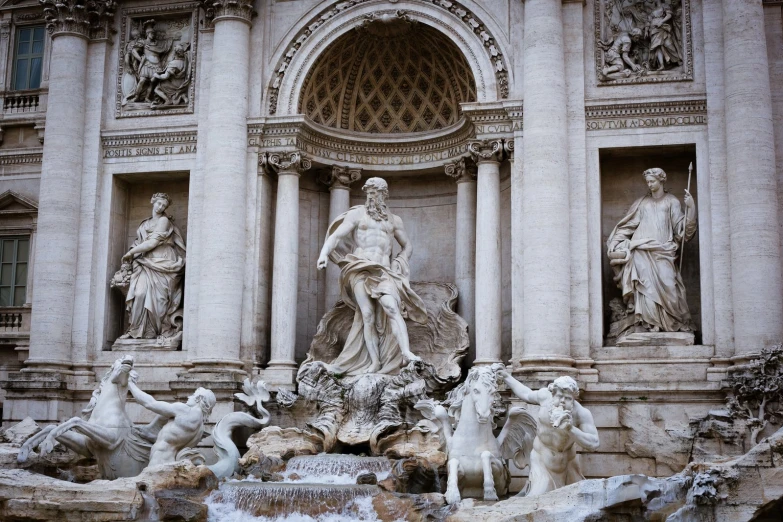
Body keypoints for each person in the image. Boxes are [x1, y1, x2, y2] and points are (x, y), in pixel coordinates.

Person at [316, 177, 427, 375]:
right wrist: (324, 253)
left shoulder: (394, 220)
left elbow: (407, 245)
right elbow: (337, 236)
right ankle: (374, 362)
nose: (371, 196)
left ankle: (406, 353)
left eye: (374, 192)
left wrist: (399, 261)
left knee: (392, 308)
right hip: (360, 268)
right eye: (368, 192)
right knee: (367, 315)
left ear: (384, 194)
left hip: (384, 271)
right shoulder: (358, 214)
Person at [607, 168, 696, 338]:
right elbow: (628, 226)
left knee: (669, 285)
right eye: (647, 182)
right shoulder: (642, 203)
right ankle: (648, 324)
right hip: (641, 250)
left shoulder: (672, 202)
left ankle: (670, 324)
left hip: (663, 251)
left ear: (661, 180)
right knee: (645, 287)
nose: (649, 184)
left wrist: (691, 209)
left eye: (652, 181)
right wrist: (615, 242)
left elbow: (682, 231)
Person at [494, 368, 599, 496]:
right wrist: (506, 377)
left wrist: (571, 429)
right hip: (541, 460)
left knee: (575, 500)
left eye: (567, 398)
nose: (562, 401)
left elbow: (594, 443)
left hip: (568, 465)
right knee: (537, 499)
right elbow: (525, 393)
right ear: (553, 393)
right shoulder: (544, 396)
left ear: (573, 398)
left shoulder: (581, 413)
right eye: (559, 396)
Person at [120, 193, 186, 341]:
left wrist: (130, 253)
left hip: (163, 261)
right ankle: (135, 330)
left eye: (164, 206)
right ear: (152, 201)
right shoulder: (144, 224)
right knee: (140, 294)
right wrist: (133, 253)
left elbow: (152, 243)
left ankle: (155, 332)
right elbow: (139, 242)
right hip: (145, 262)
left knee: (160, 300)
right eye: (159, 203)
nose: (160, 207)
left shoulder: (164, 221)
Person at [128, 372, 215, 467]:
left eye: (193, 395)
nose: (189, 397)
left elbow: (150, 403)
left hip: (159, 462)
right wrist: (150, 436)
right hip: (170, 462)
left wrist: (130, 383)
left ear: (199, 398)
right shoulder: (200, 428)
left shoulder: (185, 410)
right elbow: (173, 443)